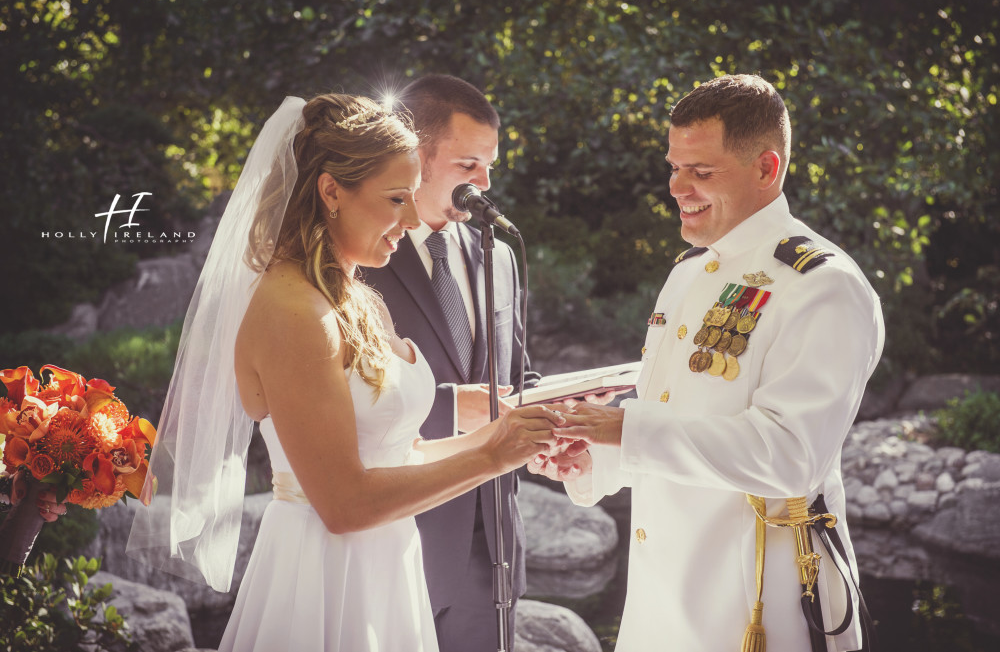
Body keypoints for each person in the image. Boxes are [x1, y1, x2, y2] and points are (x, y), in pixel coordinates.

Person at [127, 93, 562, 652]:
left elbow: (393, 457)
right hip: (326, 577)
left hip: (387, 562)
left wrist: (504, 438)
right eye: (395, 199)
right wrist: (487, 458)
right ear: (331, 190)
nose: (410, 219)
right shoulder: (292, 312)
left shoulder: (354, 296)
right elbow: (343, 504)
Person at [533, 74, 884, 652]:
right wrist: (595, 457)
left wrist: (627, 429)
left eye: (702, 172)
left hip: (755, 607)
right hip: (658, 607)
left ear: (767, 169)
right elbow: (675, 415)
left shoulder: (823, 286)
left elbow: (791, 456)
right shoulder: (689, 274)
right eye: (674, 167)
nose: (678, 187)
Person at [361, 74, 539, 651]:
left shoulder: (502, 256)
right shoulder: (357, 258)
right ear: (416, 155)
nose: (484, 185)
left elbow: (516, 375)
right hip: (398, 532)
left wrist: (557, 406)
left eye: (489, 166)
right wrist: (453, 408)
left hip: (493, 548)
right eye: (468, 165)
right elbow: (347, 396)